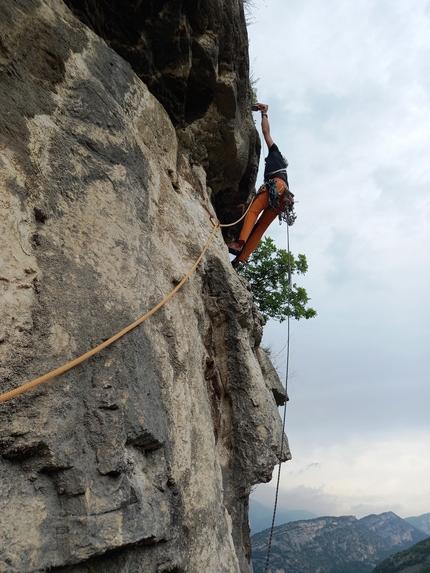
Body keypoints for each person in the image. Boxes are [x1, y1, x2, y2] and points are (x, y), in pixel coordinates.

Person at [229, 104, 295, 268]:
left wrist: (264, 114)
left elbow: (266, 133)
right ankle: (240, 260)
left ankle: (239, 244)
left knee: (254, 212)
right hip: (283, 198)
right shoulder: (282, 171)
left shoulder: (275, 153)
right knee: (261, 227)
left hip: (276, 187)